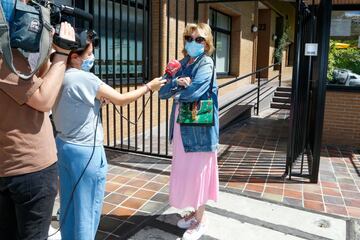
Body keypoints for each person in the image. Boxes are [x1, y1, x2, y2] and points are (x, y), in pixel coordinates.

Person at [51, 33, 166, 239]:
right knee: (87, 210)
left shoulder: (57, 74)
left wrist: (95, 103)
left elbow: (72, 103)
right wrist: (149, 87)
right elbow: (121, 99)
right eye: (89, 54)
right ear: (75, 56)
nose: (92, 58)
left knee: (68, 205)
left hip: (63, 145)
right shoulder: (85, 77)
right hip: (86, 151)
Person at [0, 1, 76, 239]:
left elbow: (32, 84)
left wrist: (45, 50)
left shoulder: (13, 57)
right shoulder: (5, 58)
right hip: (28, 169)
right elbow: (43, 99)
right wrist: (62, 55)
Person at [159, 23, 219, 240]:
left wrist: (181, 88)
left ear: (207, 43)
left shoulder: (207, 63)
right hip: (181, 127)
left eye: (199, 39)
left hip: (199, 130)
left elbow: (196, 91)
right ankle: (195, 213)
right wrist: (177, 82)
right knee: (188, 174)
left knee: (199, 175)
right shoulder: (180, 63)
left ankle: (200, 221)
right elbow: (163, 91)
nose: (193, 43)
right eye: (189, 38)